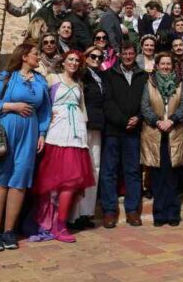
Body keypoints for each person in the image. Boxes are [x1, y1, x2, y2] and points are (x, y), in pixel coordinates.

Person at [0, 43, 52, 252]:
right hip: (5, 131)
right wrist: (12, 106)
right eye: (35, 54)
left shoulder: (40, 81)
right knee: (0, 179)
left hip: (29, 134)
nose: (38, 57)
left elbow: (45, 110)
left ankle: (9, 231)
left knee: (20, 180)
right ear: (24, 57)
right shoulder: (6, 77)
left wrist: (42, 133)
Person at [30, 50, 95, 243]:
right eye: (70, 59)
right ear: (63, 61)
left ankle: (61, 224)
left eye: (77, 61)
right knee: (51, 181)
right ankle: (45, 222)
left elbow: (83, 111)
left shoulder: (78, 84)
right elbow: (42, 102)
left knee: (71, 182)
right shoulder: (52, 78)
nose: (74, 63)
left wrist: (84, 134)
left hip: (76, 135)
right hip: (56, 132)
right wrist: (44, 121)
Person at [100, 43, 147, 228]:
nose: (128, 56)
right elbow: (108, 102)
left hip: (134, 132)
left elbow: (146, 101)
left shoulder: (143, 76)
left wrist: (139, 118)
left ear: (135, 54)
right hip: (113, 130)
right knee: (109, 171)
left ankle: (132, 210)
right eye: (125, 53)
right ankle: (109, 211)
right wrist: (122, 120)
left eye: (131, 53)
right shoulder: (108, 75)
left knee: (133, 171)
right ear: (119, 55)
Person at [140, 53, 183, 226]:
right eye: (163, 64)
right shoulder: (149, 84)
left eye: (169, 64)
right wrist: (157, 121)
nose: (166, 67)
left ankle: (173, 214)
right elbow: (145, 106)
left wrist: (172, 120)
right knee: (158, 177)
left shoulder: (180, 84)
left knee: (172, 176)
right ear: (157, 66)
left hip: (174, 133)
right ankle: (159, 214)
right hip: (155, 133)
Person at [68, 46, 107, 231]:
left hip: (97, 125)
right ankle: (73, 214)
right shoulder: (81, 74)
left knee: (94, 168)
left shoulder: (101, 76)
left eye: (100, 57)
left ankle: (86, 212)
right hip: (82, 125)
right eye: (93, 56)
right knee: (79, 168)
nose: (97, 59)